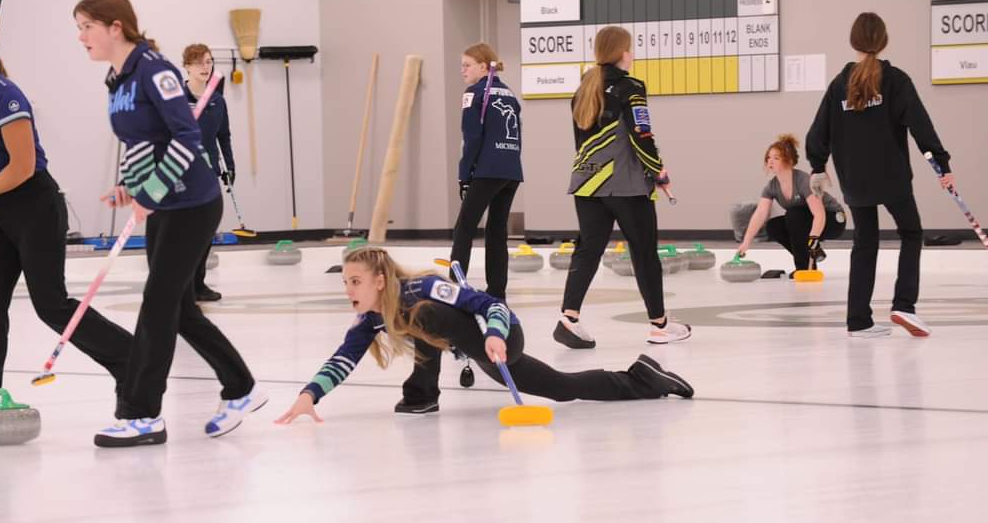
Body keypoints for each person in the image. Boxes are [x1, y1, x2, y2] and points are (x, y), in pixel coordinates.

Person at [74, 0, 266, 446]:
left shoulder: (153, 69)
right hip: (165, 205)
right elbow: (143, 143)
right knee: (177, 310)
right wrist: (130, 187)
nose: (80, 36)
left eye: (86, 27)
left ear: (114, 26)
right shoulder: (117, 78)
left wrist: (152, 191)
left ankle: (142, 414)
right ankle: (240, 387)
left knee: (157, 307)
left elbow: (185, 135)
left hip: (193, 204)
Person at [0, 13, 133, 435]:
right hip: (1, 209)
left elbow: (23, 166)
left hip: (35, 205)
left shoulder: (7, 97)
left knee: (51, 305)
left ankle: (131, 360)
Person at [272, 246, 693, 424]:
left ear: (380, 281)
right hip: (473, 341)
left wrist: (493, 337)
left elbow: (488, 304)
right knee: (561, 387)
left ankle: (641, 380)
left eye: (355, 282)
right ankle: (422, 394)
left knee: (561, 389)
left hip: (499, 333)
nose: (348, 290)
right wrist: (309, 396)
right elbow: (343, 358)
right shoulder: (371, 318)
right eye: (345, 282)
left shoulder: (424, 289)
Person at [806, 12, 954, 338]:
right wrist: (942, 165)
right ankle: (904, 305)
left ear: (853, 41)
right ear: (883, 40)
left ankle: (858, 320)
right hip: (892, 177)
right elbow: (921, 127)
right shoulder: (896, 80)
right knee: (912, 233)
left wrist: (818, 166)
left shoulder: (839, 85)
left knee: (865, 242)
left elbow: (817, 134)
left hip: (855, 180)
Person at [556, 26, 690, 350]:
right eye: (630, 49)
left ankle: (568, 318)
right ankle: (659, 325)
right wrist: (658, 171)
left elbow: (580, 143)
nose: (632, 54)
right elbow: (641, 135)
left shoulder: (583, 88)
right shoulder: (630, 87)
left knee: (588, 249)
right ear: (621, 52)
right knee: (644, 252)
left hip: (587, 183)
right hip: (626, 185)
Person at [453, 43, 523, 302]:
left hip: (487, 170)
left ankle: (454, 288)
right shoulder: (508, 93)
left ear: (483, 66)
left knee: (464, 229)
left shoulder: (474, 93)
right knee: (497, 232)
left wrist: (464, 174)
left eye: (467, 65)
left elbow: (471, 138)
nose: (463, 70)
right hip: (511, 170)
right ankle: (497, 291)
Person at [736, 134, 847, 272]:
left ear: (788, 161)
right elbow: (760, 214)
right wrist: (746, 242)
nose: (770, 161)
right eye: (768, 158)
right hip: (806, 221)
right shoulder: (772, 187)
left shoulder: (803, 181)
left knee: (794, 215)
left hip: (832, 220)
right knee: (774, 226)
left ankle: (804, 268)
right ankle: (809, 260)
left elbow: (819, 214)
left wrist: (814, 238)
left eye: (776, 158)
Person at [181, 43, 235, 302]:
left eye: (209, 61)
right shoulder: (176, 100)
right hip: (180, 173)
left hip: (208, 173)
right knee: (184, 232)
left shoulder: (217, 100)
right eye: (199, 62)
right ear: (187, 66)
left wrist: (230, 166)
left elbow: (223, 136)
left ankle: (199, 284)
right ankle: (183, 285)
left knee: (206, 229)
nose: (206, 66)